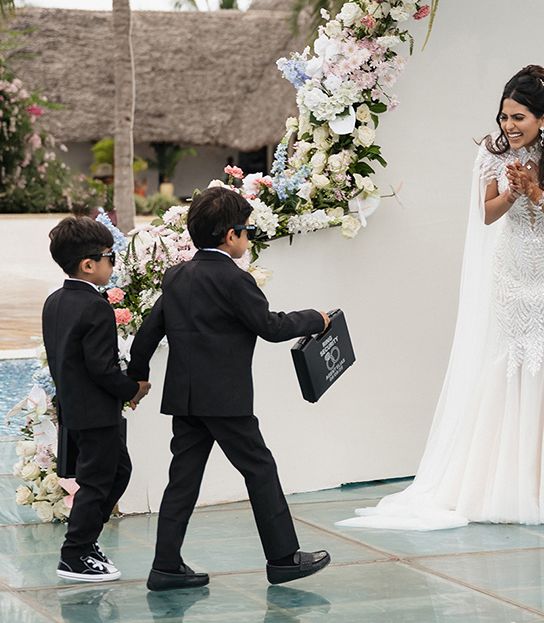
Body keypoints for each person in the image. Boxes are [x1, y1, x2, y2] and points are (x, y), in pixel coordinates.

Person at [340, 65, 544, 530]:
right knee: (509, 365)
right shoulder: (492, 152)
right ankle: (503, 486)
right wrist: (514, 193)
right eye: (504, 117)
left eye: (519, 118)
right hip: (512, 277)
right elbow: (486, 215)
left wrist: (537, 191)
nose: (508, 127)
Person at [127, 186, 332, 591]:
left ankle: (165, 565)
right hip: (225, 400)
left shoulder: (177, 276)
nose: (249, 238)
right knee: (260, 469)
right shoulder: (235, 280)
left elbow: (148, 333)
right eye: (247, 232)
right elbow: (271, 328)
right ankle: (283, 559)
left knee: (182, 480)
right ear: (230, 235)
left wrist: (138, 377)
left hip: (186, 399)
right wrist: (316, 318)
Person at [44, 216, 151, 583]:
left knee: (118, 471)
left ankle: (85, 542)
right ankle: (75, 554)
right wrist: (132, 389)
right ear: (88, 264)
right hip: (96, 412)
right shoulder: (95, 307)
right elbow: (103, 369)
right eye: (110, 256)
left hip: (75, 408)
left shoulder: (54, 302)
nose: (113, 264)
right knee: (97, 482)